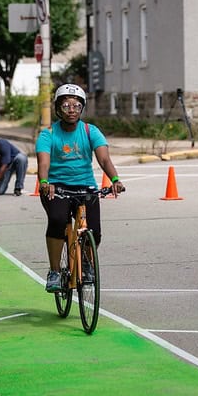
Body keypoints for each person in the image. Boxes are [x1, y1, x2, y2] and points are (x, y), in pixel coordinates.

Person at [35, 84, 125, 293]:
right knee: (57, 221)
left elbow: (104, 158)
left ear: (82, 108)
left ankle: (86, 262)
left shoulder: (90, 131)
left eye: (76, 105)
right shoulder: (48, 134)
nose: (71, 110)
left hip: (86, 186)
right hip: (56, 188)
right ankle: (55, 271)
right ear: (58, 108)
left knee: (95, 231)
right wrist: (45, 183)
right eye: (66, 105)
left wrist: (115, 179)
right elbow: (43, 163)